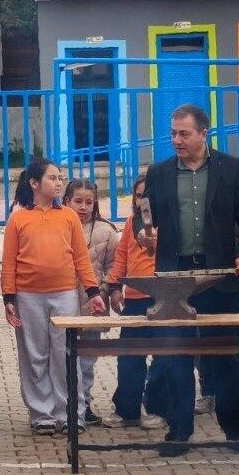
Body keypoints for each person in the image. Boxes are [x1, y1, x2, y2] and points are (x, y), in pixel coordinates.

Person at [142, 106, 239, 453]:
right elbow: (143, 215)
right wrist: (142, 232)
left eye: (184, 134)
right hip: (175, 281)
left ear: (204, 133)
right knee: (175, 356)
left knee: (225, 356)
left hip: (220, 277)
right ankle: (179, 431)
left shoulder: (231, 168)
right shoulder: (159, 173)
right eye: (173, 133)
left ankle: (235, 429)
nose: (176, 140)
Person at [2, 159, 104, 434]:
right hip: (27, 296)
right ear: (34, 184)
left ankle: (71, 413)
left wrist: (93, 291)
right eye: (52, 178)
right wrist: (8, 299)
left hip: (65, 295)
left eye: (60, 178)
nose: (59, 183)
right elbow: (9, 261)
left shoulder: (68, 216)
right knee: (35, 355)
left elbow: (81, 258)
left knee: (65, 353)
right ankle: (42, 415)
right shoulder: (18, 218)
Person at [105, 174, 164, 431]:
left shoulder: (170, 223)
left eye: (147, 196)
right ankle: (127, 410)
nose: (143, 201)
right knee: (129, 357)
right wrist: (115, 287)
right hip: (135, 300)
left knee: (163, 358)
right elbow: (122, 258)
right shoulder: (130, 223)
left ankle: (158, 409)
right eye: (139, 196)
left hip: (163, 298)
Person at [65, 178, 119, 427]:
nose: (83, 207)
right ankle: (66, 404)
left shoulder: (106, 232)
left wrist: (105, 289)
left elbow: (113, 267)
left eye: (89, 202)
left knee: (87, 360)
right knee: (65, 356)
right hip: (63, 301)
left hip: (93, 305)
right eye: (78, 201)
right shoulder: (58, 226)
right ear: (66, 201)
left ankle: (84, 403)